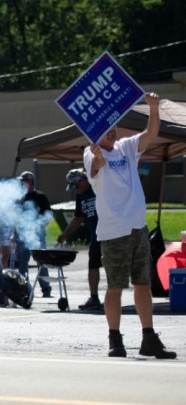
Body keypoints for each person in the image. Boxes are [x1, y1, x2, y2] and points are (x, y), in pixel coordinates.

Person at [84, 92, 176, 359]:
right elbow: (96, 166)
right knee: (115, 287)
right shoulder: (91, 153)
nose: (112, 131)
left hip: (138, 228)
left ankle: (148, 338)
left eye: (113, 127)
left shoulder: (125, 147)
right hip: (114, 232)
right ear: (96, 133)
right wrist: (98, 155)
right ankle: (115, 340)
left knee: (143, 284)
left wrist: (154, 108)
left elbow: (151, 132)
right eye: (106, 129)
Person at [56, 168, 103, 310]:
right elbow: (78, 218)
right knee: (93, 265)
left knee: (114, 264)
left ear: (83, 180)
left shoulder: (98, 187)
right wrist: (64, 234)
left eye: (76, 186)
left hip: (110, 233)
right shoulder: (81, 196)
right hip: (95, 236)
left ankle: (114, 297)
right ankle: (94, 298)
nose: (75, 190)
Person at [17, 171, 52, 297]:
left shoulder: (40, 196)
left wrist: (40, 226)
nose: (22, 184)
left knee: (41, 261)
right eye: (22, 182)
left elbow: (48, 215)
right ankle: (24, 288)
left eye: (25, 181)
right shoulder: (19, 198)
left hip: (37, 233)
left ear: (31, 182)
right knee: (22, 263)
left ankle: (46, 289)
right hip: (23, 234)